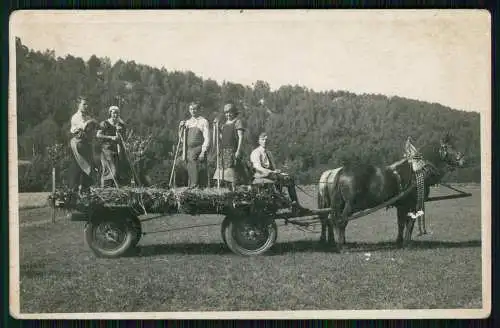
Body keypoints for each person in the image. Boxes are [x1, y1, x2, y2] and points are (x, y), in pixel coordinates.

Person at [250, 132, 310, 215]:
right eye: (262, 140)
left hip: (271, 174)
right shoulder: (256, 152)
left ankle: (295, 205)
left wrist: (278, 172)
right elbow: (257, 167)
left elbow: (273, 167)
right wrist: (271, 172)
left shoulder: (269, 153)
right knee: (278, 179)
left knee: (289, 178)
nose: (265, 141)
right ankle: (279, 201)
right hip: (260, 175)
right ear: (259, 141)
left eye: (266, 140)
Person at [213, 103, 247, 190]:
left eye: (230, 112)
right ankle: (226, 191)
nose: (228, 114)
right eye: (226, 113)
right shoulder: (224, 124)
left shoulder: (237, 122)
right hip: (224, 151)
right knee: (223, 174)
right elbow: (222, 137)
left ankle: (237, 189)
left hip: (233, 150)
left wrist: (238, 150)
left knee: (233, 173)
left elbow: (241, 137)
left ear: (234, 112)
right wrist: (216, 127)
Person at [69, 97, 98, 192]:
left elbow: (94, 126)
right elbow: (84, 126)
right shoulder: (76, 117)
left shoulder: (87, 117)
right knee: (77, 167)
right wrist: (91, 121)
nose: (86, 106)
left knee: (88, 168)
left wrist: (92, 122)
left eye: (87, 104)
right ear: (78, 105)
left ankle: (86, 192)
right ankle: (72, 191)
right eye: (84, 104)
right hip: (77, 145)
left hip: (86, 144)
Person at [96, 105, 129, 187]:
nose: (115, 115)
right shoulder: (105, 123)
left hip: (118, 150)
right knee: (110, 169)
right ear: (110, 113)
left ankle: (114, 188)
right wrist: (111, 137)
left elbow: (124, 138)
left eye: (117, 113)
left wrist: (120, 133)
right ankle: (105, 189)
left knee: (118, 170)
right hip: (106, 149)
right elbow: (98, 135)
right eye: (114, 113)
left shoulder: (121, 125)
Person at [179, 101, 210, 188]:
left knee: (192, 159)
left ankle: (195, 184)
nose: (193, 111)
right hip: (189, 148)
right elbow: (182, 138)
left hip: (199, 146)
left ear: (199, 110)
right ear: (189, 110)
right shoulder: (188, 122)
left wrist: (203, 151)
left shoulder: (203, 121)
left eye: (195, 109)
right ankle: (192, 184)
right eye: (191, 109)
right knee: (189, 164)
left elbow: (207, 137)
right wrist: (181, 127)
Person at [403, 136, 426, 220]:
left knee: (420, 187)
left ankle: (418, 207)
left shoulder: (411, 146)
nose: (411, 140)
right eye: (410, 139)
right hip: (415, 166)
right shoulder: (409, 146)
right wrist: (418, 156)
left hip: (416, 165)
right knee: (420, 186)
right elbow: (410, 157)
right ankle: (418, 208)